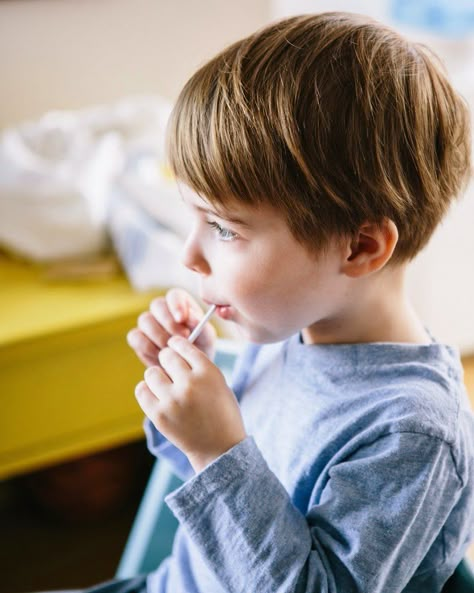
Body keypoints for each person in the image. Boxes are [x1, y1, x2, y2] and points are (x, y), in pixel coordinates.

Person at [45, 11, 474, 593]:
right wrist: (195, 410)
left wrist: (218, 450)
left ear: (360, 247)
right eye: (191, 217)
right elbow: (227, 515)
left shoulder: (411, 433)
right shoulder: (291, 330)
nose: (190, 255)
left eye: (224, 228)